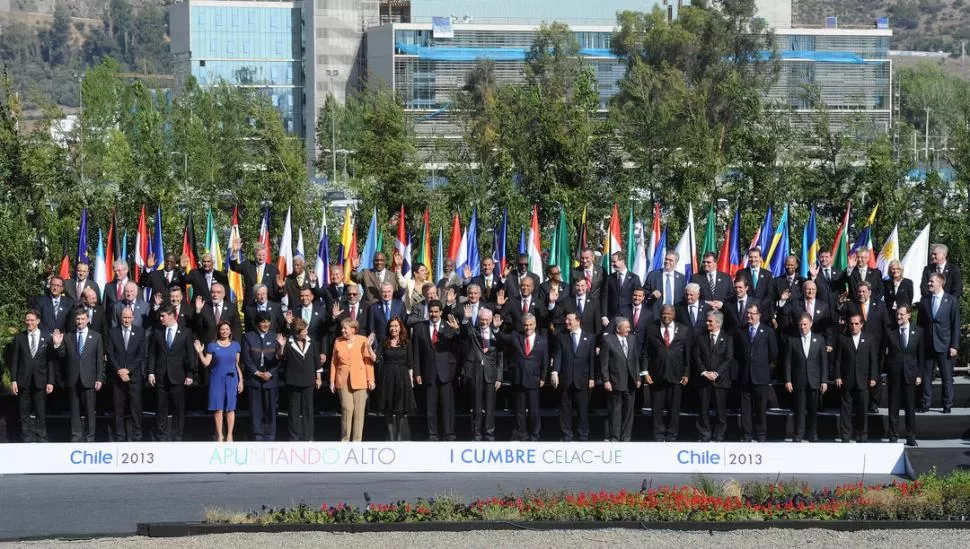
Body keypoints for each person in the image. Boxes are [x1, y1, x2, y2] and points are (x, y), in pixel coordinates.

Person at [495, 312, 549, 441]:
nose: (528, 328)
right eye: (526, 325)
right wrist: (496, 329)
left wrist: (543, 378)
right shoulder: (515, 336)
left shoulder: (542, 340)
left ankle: (534, 435)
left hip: (534, 379)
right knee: (519, 410)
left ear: (535, 325)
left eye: (530, 325)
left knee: (534, 410)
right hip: (519, 379)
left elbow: (545, 361)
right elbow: (501, 338)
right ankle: (521, 434)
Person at [148, 305, 197, 441]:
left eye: (163, 316)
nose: (161, 318)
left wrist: (190, 374)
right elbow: (152, 353)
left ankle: (177, 435)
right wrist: (151, 372)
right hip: (161, 376)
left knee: (178, 408)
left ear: (171, 316)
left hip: (178, 376)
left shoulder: (186, 332)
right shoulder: (157, 331)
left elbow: (190, 355)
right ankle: (161, 436)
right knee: (160, 407)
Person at [55, 308, 104, 442]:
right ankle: (76, 436)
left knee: (89, 410)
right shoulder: (68, 336)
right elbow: (61, 356)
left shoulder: (96, 336)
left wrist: (99, 378)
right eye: (77, 319)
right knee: (74, 411)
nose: (80, 321)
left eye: (82, 319)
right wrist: (58, 345)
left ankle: (90, 436)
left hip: (89, 379)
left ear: (88, 320)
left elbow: (99, 359)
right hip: (72, 379)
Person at [841, 281, 890, 413]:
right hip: (856, 347)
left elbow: (886, 325)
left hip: (876, 346)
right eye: (859, 292)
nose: (861, 294)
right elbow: (838, 311)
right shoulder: (851, 304)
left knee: (875, 375)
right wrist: (840, 302)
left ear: (870, 291)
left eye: (863, 291)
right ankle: (858, 403)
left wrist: (887, 344)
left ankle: (874, 403)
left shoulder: (879, 305)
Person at [412, 300, 458, 440]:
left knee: (447, 406)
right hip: (429, 371)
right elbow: (416, 352)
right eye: (431, 312)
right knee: (430, 406)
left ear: (441, 312)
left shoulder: (449, 326)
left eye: (436, 312)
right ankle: (432, 434)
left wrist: (457, 331)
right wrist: (417, 372)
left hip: (446, 372)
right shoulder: (420, 327)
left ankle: (449, 433)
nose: (433, 314)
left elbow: (458, 346)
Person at [645, 305, 690, 442]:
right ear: (660, 314)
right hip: (656, 375)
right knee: (656, 409)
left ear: (674, 314)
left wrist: (686, 373)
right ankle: (658, 435)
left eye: (669, 314)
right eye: (664, 313)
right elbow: (645, 353)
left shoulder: (683, 330)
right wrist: (645, 372)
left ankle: (671, 435)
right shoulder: (651, 328)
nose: (666, 316)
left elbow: (687, 354)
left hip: (676, 375)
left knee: (674, 408)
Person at [917, 272, 960, 414]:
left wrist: (954, 345)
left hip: (945, 345)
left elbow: (955, 324)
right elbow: (920, 325)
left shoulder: (951, 300)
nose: (928, 284)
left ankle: (947, 404)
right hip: (928, 345)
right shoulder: (924, 301)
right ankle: (925, 403)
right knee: (926, 376)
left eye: (931, 282)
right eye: (929, 281)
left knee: (947, 377)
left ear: (940, 283)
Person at [11, 310, 56, 442]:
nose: (29, 323)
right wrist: (13, 380)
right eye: (27, 320)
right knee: (23, 411)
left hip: (41, 379)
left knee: (40, 411)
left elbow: (50, 361)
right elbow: (15, 360)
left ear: (38, 321)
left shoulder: (47, 337)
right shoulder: (20, 338)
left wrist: (50, 381)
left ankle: (41, 436)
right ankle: (26, 437)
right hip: (23, 380)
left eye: (32, 320)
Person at [329, 318, 377, 441]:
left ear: (353, 329)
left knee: (359, 412)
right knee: (347, 408)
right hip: (343, 380)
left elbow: (368, 362)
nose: (342, 330)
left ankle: (357, 441)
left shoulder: (363, 340)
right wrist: (331, 380)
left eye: (345, 328)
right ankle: (345, 439)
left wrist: (371, 379)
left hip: (360, 380)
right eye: (342, 328)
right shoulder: (338, 341)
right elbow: (334, 362)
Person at [735, 303, 777, 442]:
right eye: (748, 313)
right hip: (745, 375)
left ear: (759, 315)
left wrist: (764, 367)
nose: (749, 316)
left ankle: (761, 433)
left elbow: (773, 353)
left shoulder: (767, 331)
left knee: (760, 407)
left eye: (752, 313)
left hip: (761, 375)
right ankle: (747, 434)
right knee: (745, 408)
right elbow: (737, 353)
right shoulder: (741, 331)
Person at [783, 313, 829, 442]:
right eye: (800, 325)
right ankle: (798, 434)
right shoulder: (792, 340)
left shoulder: (819, 339)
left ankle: (812, 433)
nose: (802, 327)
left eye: (805, 324)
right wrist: (788, 379)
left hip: (814, 380)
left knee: (813, 410)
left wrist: (824, 380)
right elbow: (787, 362)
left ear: (811, 324)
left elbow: (823, 362)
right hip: (799, 380)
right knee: (799, 409)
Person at [195, 322, 243, 442]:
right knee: (218, 409)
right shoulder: (212, 345)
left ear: (230, 331)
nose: (225, 331)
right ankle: (220, 435)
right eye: (222, 329)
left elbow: (237, 364)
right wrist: (200, 352)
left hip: (232, 379)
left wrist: (241, 380)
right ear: (218, 331)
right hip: (217, 379)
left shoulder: (236, 345)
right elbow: (206, 363)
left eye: (227, 329)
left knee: (231, 409)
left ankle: (230, 435)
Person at [551, 312, 595, 442]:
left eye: (569, 320)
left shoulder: (590, 337)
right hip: (566, 379)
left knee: (583, 411)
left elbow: (592, 359)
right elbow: (558, 356)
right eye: (566, 319)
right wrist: (555, 372)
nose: (566, 322)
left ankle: (583, 436)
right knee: (565, 410)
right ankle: (567, 435)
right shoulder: (561, 337)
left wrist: (592, 377)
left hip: (583, 379)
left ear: (578, 321)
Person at [106, 306, 148, 441]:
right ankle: (119, 436)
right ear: (120, 317)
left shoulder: (140, 332)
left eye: (129, 317)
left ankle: (137, 435)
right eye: (124, 317)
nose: (126, 320)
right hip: (117, 378)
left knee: (136, 408)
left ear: (133, 318)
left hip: (134, 377)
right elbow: (110, 354)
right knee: (118, 409)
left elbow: (141, 355)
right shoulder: (113, 332)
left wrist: (128, 370)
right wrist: (120, 370)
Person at [462, 307, 503, 441]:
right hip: (476, 373)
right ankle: (477, 434)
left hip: (491, 375)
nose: (484, 322)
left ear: (491, 320)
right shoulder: (473, 332)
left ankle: (490, 434)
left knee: (490, 407)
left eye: (487, 319)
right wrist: (466, 320)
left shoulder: (496, 334)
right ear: (478, 319)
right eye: (482, 319)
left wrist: (499, 377)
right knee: (476, 406)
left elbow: (500, 357)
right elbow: (465, 332)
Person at [835, 314, 878, 442]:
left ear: (861, 324)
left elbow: (873, 360)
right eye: (851, 323)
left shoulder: (869, 339)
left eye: (856, 323)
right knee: (846, 410)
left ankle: (862, 435)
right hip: (847, 380)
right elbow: (837, 360)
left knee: (862, 410)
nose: (854, 326)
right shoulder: (842, 339)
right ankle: (846, 436)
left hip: (863, 380)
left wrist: (873, 377)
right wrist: (837, 376)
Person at [278, 318, 323, 441]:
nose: (306, 332)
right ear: (296, 332)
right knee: (294, 410)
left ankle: (308, 436)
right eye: (303, 331)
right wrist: (281, 347)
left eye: (306, 330)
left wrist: (318, 377)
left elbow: (316, 360)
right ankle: (294, 436)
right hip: (293, 381)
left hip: (308, 380)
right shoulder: (288, 342)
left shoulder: (311, 342)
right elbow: (281, 357)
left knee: (308, 409)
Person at [885, 305, 923, 446]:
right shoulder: (891, 332)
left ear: (908, 315)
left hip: (910, 374)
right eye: (897, 314)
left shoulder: (918, 332)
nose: (898, 317)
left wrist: (919, 374)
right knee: (893, 406)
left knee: (910, 407)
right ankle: (893, 434)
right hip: (894, 374)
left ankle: (910, 436)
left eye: (901, 314)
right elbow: (884, 354)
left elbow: (921, 355)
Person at [241, 313, 282, 441]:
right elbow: (246, 358)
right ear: (257, 323)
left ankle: (270, 435)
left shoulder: (275, 336)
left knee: (270, 408)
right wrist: (256, 372)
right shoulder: (248, 337)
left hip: (270, 379)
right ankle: (257, 435)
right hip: (254, 380)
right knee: (255, 409)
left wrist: (270, 372)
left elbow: (279, 358)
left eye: (268, 322)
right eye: (263, 322)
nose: (266, 324)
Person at [693, 311, 732, 443]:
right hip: (704, 380)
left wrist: (716, 373)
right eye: (707, 321)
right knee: (703, 410)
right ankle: (705, 435)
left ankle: (719, 436)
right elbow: (697, 356)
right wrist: (704, 372)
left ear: (718, 323)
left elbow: (728, 358)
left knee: (721, 411)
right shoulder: (701, 338)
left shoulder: (727, 338)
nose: (707, 323)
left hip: (720, 380)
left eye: (710, 321)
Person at [600, 317, 640, 442]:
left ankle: (626, 437)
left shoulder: (632, 339)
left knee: (629, 411)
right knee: (615, 410)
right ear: (618, 328)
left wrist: (638, 377)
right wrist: (606, 380)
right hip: (615, 380)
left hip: (631, 381)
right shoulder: (607, 340)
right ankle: (614, 436)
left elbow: (635, 359)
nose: (629, 329)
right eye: (626, 327)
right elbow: (604, 363)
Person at [376, 316, 415, 441]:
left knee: (400, 409)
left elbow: (410, 364)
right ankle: (391, 437)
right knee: (388, 409)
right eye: (391, 326)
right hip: (387, 378)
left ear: (400, 328)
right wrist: (367, 346)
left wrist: (411, 382)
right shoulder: (384, 341)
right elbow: (375, 358)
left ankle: (399, 437)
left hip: (402, 378)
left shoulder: (407, 343)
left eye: (396, 326)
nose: (393, 328)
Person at [229, 240, 279, 305]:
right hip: (250, 306)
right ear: (255, 255)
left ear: (266, 254)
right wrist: (235, 252)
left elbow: (276, 290)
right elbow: (234, 267)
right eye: (259, 255)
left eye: (263, 255)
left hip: (268, 305)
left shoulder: (273, 269)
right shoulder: (247, 265)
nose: (261, 258)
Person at [603, 252, 643, 327]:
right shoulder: (609, 278)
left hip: (628, 317)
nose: (612, 264)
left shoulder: (634, 278)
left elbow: (638, 298)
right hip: (612, 317)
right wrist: (604, 316)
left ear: (622, 261)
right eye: (612, 262)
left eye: (614, 261)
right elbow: (605, 297)